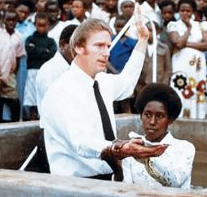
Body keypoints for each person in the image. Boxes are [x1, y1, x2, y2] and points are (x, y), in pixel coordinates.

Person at [41, 12, 168, 180]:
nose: (106, 53)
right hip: (75, 184)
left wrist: (142, 40)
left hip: (109, 177)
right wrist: (120, 148)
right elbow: (80, 142)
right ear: (79, 47)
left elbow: (128, 82)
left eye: (108, 46)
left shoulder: (102, 81)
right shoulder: (61, 90)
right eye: (99, 46)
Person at [122, 83, 195, 188]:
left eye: (159, 116)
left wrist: (147, 154)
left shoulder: (184, 148)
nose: (152, 122)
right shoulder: (131, 149)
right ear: (141, 116)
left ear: (170, 119)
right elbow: (126, 189)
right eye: (147, 114)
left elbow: (175, 182)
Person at [168, 0, 207, 119]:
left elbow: (206, 45)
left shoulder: (201, 25)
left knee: (197, 88)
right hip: (182, 64)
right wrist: (188, 29)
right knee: (181, 88)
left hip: (198, 67)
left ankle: (199, 117)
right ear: (178, 11)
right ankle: (180, 117)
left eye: (188, 10)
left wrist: (187, 44)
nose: (185, 13)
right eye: (182, 10)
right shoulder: (174, 25)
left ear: (193, 11)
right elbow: (178, 43)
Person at [0, 11, 25, 122]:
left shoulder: (19, 37)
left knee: (14, 101)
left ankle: (15, 125)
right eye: (8, 20)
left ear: (17, 21)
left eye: (13, 20)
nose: (11, 22)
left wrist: (13, 72)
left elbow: (19, 56)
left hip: (9, 74)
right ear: (4, 20)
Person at [35, 24, 78, 115]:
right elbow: (54, 108)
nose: (80, 52)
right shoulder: (50, 71)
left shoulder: (76, 68)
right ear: (62, 44)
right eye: (75, 47)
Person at [23, 13, 57, 120]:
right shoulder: (30, 39)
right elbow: (30, 51)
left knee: (45, 96)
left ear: (48, 25)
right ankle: (32, 121)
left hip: (46, 71)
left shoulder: (51, 41)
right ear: (35, 25)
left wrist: (36, 50)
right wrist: (44, 51)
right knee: (32, 99)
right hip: (32, 71)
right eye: (39, 25)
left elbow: (51, 55)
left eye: (44, 25)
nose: (42, 28)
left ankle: (44, 120)